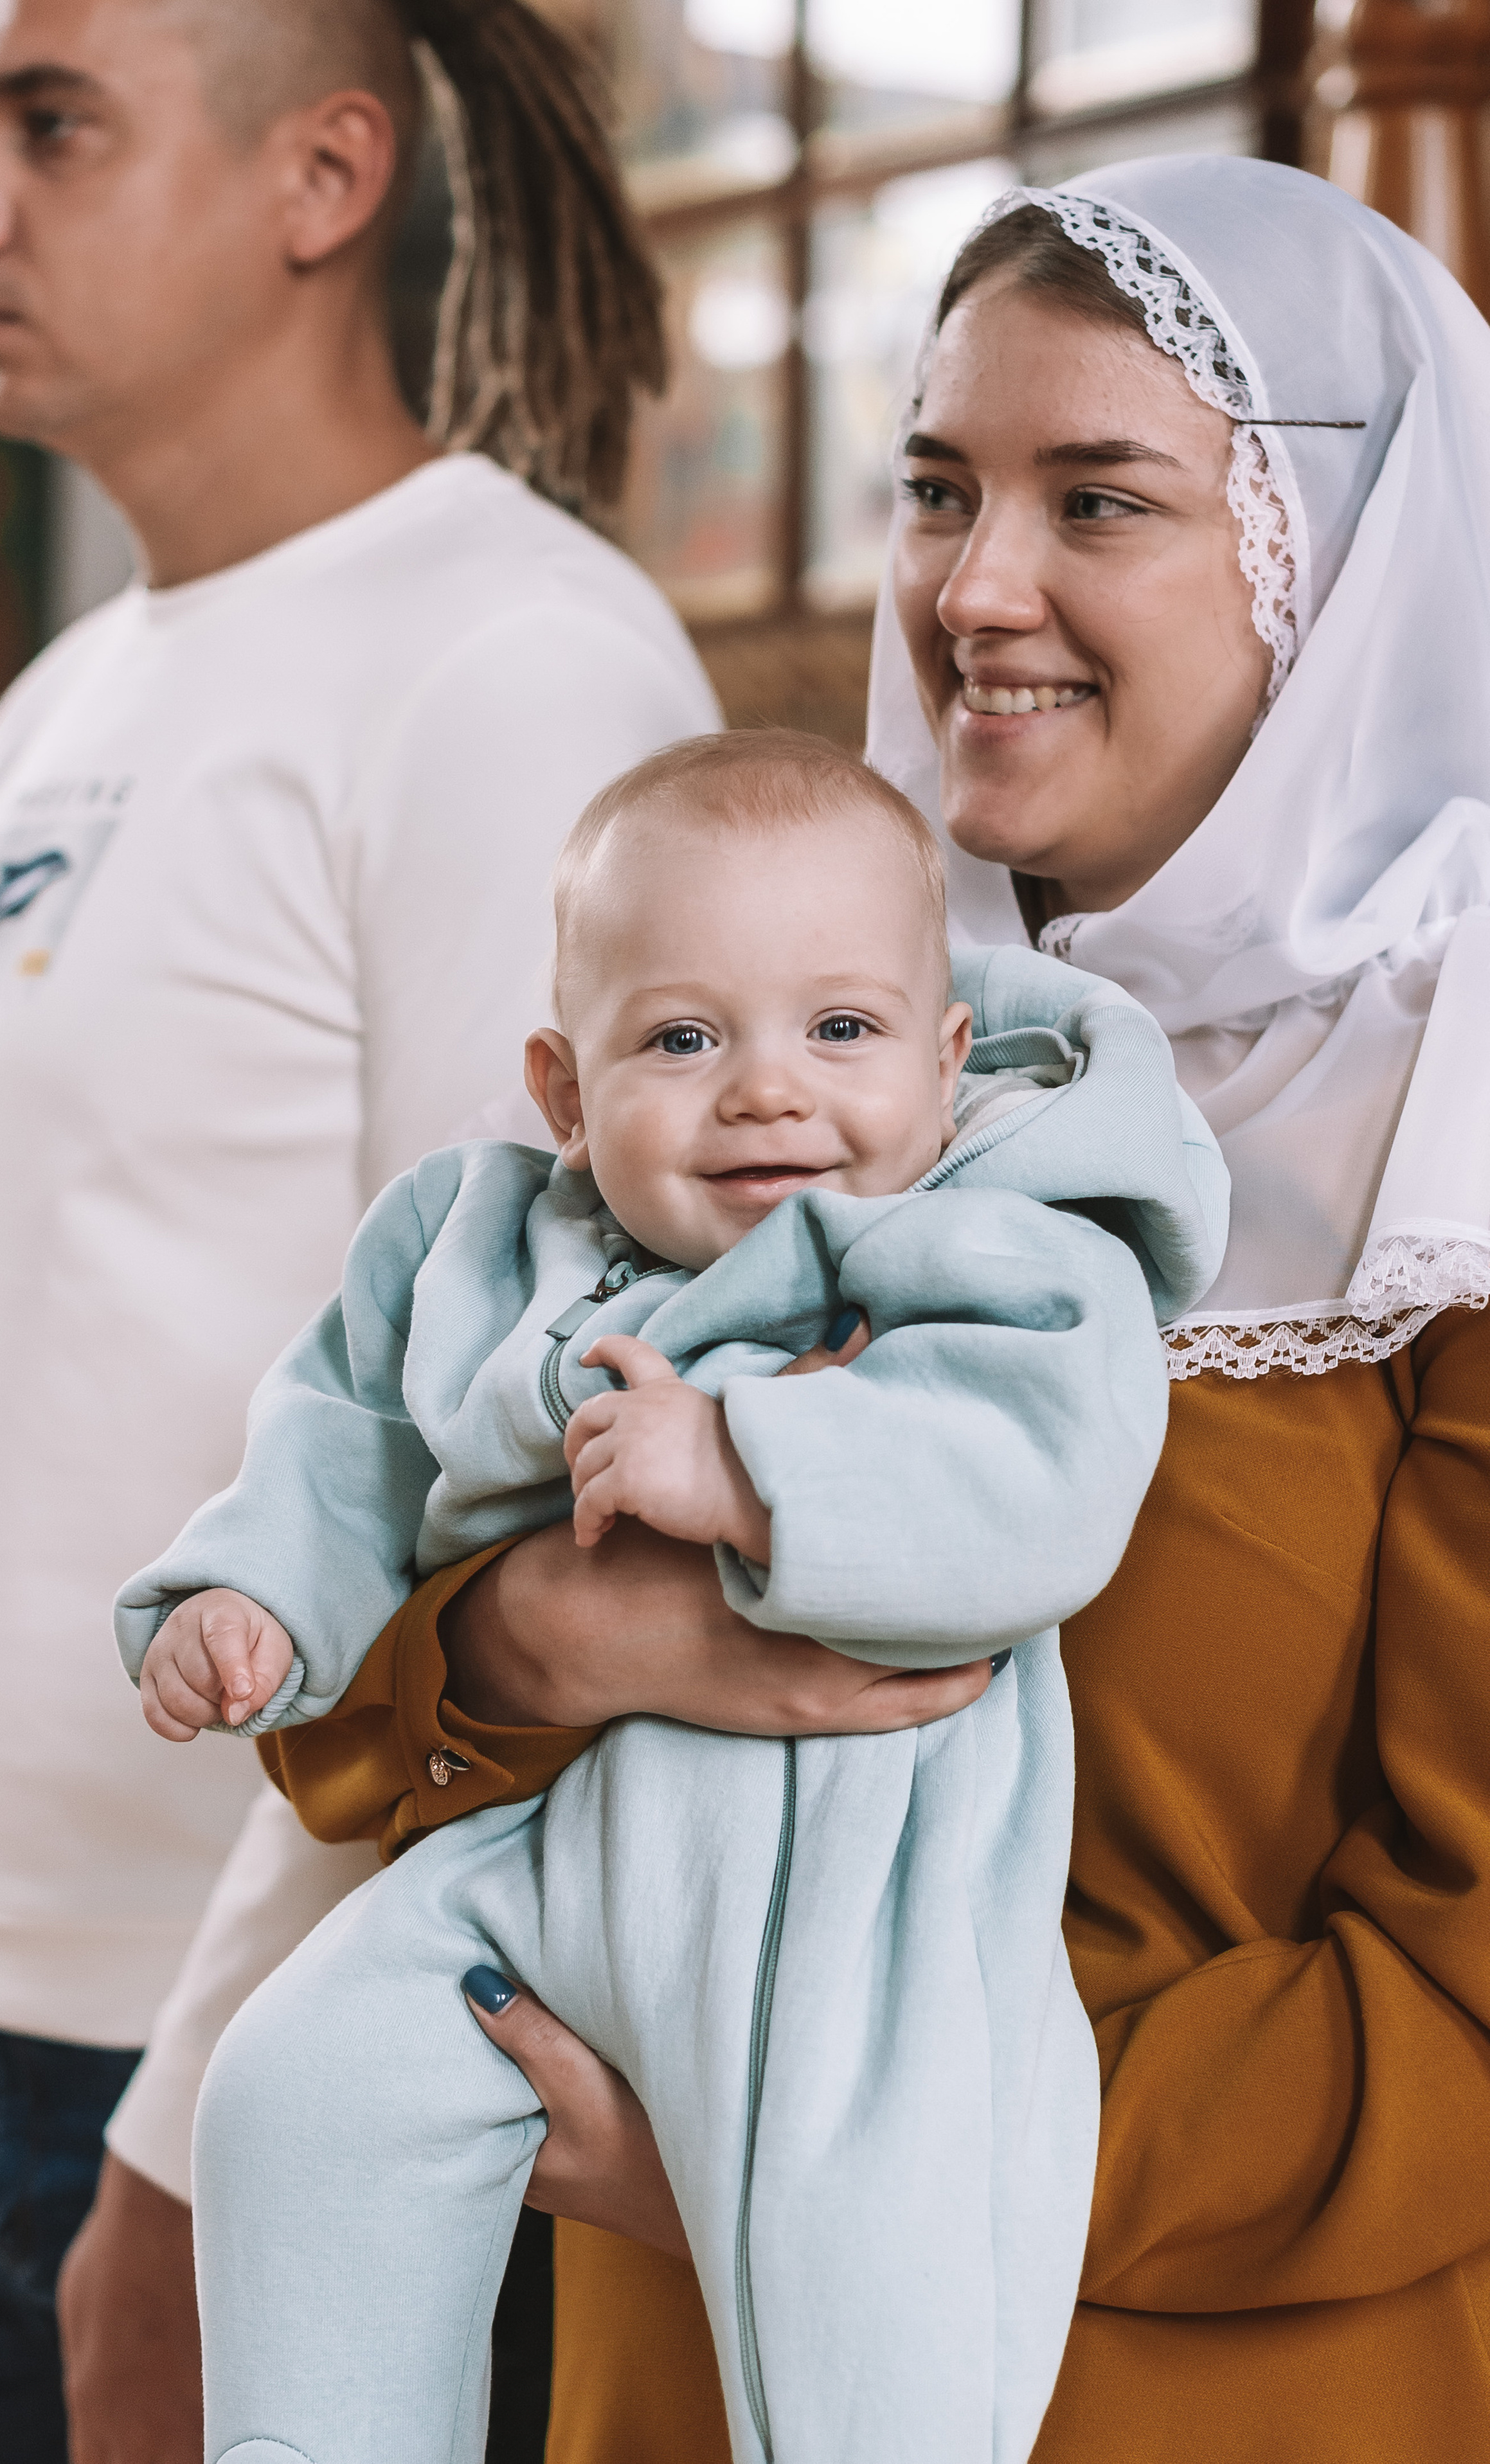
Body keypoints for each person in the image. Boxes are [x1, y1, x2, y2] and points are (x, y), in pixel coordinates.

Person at [310, 156, 1490, 2464]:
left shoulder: (1458, 1162)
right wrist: (539, 1641)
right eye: (940, 485)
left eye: (1101, 499)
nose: (978, 587)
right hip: (669, 2351)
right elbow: (351, 1703)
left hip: (1190, 2383)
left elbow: (1464, 2006)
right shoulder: (803, 1053)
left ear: (1337, 566)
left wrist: (808, 2163)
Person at [0, 0, 726, 2456]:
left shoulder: (518, 668)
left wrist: (203, 2138)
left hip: (287, 2075)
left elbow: (489, 1471)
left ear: (321, 178)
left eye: (47, 122)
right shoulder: (55, 701)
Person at [117, 728, 1225, 2464]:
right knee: (296, 2085)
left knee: (872, 2272)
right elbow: (341, 1433)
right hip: (546, 1862)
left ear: (946, 1060)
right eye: (685, 1036)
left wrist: (749, 1468)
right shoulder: (482, 1244)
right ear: (565, 1089)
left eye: (841, 1029)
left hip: (864, 1896)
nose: (768, 1089)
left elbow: (1049, 1480)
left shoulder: (993, 1239)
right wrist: (255, 1592)